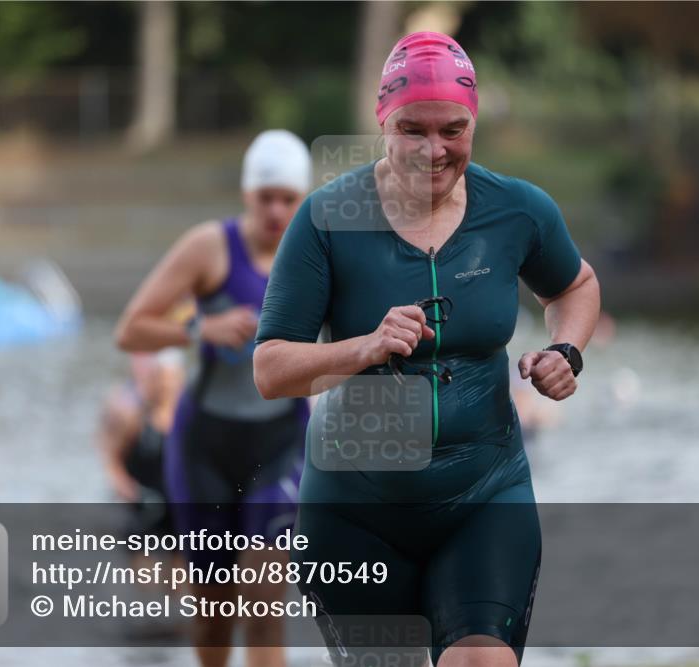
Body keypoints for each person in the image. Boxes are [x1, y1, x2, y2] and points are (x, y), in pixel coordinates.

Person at [253, 32, 601, 667]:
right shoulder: (327, 218)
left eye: (453, 130)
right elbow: (271, 368)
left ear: (474, 124)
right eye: (413, 128)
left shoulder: (517, 211)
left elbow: (575, 285)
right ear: (383, 120)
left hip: (485, 495)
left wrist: (566, 351)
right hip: (354, 514)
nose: (433, 149)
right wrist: (363, 346)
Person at [115, 130, 313, 667]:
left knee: (265, 603)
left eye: (288, 199)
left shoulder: (318, 253)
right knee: (212, 613)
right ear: (247, 194)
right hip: (205, 445)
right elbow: (130, 330)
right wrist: (201, 327)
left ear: (304, 199)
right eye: (264, 196)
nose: (275, 210)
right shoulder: (210, 246)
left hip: (279, 442)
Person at [98, 348, 189, 637]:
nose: (165, 385)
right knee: (146, 588)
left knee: (177, 589)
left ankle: (170, 637)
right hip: (144, 509)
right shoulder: (136, 418)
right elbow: (113, 459)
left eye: (170, 379)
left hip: (177, 511)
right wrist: (127, 488)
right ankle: (141, 633)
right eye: (160, 379)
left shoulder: (189, 422)